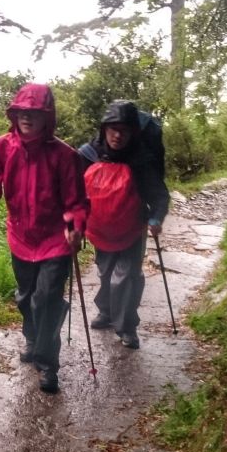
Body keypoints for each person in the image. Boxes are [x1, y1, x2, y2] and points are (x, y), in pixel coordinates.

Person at [0, 83, 87, 394]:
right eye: (22, 111)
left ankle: (48, 365)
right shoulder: (2, 147)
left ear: (46, 117)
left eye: (34, 112)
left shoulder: (65, 156)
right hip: (20, 237)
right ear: (15, 114)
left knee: (46, 300)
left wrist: (75, 225)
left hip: (54, 241)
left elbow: (76, 202)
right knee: (26, 298)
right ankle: (33, 337)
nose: (27, 117)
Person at [79, 100, 170, 349]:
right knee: (106, 273)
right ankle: (107, 312)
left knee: (126, 276)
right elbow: (73, 190)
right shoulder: (88, 155)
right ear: (104, 129)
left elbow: (159, 195)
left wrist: (156, 218)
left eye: (124, 130)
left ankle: (127, 327)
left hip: (132, 228)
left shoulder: (142, 160)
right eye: (113, 129)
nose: (118, 135)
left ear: (133, 132)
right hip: (100, 229)